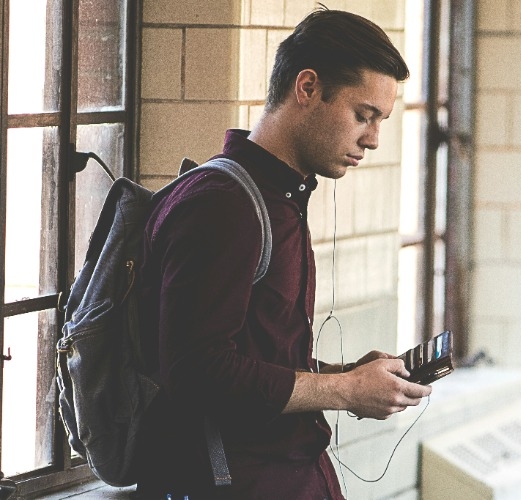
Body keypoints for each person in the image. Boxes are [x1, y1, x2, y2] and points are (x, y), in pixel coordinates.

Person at [135, 8, 432, 499]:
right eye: (363, 115)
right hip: (237, 483)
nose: (374, 139)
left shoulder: (280, 199)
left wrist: (350, 377)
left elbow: (257, 359)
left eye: (380, 120)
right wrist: (348, 391)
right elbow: (196, 370)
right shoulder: (223, 204)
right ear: (308, 88)